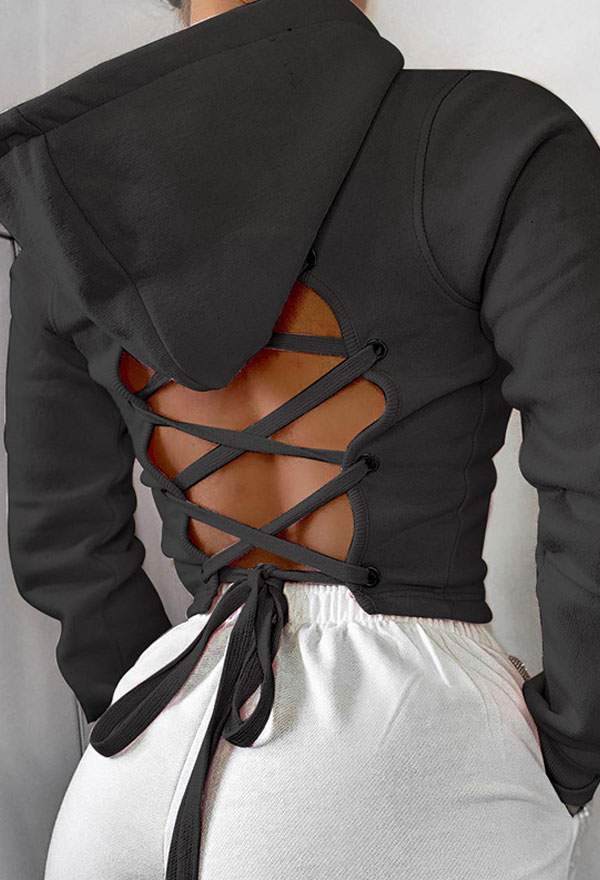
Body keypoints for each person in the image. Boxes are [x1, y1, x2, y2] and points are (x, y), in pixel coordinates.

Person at [1, 0, 599, 877]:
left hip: (134, 778)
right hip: (408, 764)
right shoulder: (492, 134)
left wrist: (150, 706)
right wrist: (576, 743)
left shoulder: (69, 193)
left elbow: (58, 531)